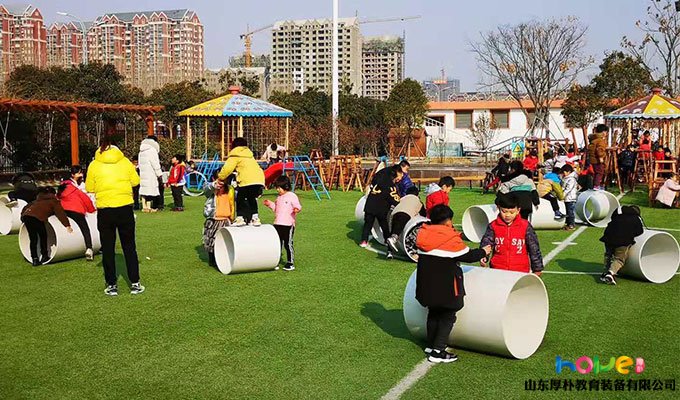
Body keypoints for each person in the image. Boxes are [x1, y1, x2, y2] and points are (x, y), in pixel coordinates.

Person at [415, 204, 491, 363]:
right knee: (447, 317)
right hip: (446, 289)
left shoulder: (423, 234)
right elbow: (468, 256)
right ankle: (438, 351)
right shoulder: (449, 238)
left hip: (426, 288)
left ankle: (431, 344)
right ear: (448, 222)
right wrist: (484, 251)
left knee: (433, 313)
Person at [86, 137, 144, 296]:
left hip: (105, 210)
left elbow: (89, 187)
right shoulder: (125, 162)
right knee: (129, 246)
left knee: (108, 248)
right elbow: (135, 181)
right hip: (124, 207)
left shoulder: (94, 165)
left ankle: (111, 284)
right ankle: (135, 283)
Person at [480, 193, 544, 275]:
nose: (507, 215)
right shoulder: (493, 226)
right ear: (498, 208)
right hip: (497, 269)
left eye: (511, 212)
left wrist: (537, 268)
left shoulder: (525, 226)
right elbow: (487, 243)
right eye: (504, 211)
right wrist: (483, 256)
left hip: (520, 270)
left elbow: (534, 248)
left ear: (518, 210)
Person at [218, 137, 266, 226]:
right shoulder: (249, 155)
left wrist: (220, 177)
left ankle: (240, 218)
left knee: (240, 198)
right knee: (252, 198)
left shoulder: (235, 155)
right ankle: (255, 218)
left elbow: (227, 169)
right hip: (259, 179)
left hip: (246, 180)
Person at [21, 187, 73, 266]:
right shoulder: (53, 201)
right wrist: (67, 225)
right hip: (37, 218)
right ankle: (45, 256)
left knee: (33, 238)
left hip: (27, 216)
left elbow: (25, 208)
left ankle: (35, 259)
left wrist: (22, 217)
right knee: (43, 236)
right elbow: (60, 213)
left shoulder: (37, 200)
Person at [360, 165, 403, 257]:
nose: (401, 178)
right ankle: (387, 241)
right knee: (384, 226)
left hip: (369, 206)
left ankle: (364, 240)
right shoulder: (391, 186)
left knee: (368, 224)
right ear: (396, 174)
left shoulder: (379, 182)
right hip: (381, 209)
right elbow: (395, 199)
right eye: (400, 175)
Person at [263, 175, 302, 271]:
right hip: (277, 224)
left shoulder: (292, 196)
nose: (278, 190)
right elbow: (276, 209)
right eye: (277, 188)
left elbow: (297, 205)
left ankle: (290, 262)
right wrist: (270, 204)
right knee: (277, 243)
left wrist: (297, 209)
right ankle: (276, 260)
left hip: (288, 225)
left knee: (287, 244)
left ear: (286, 187)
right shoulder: (278, 198)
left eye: (279, 187)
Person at [57, 165, 96, 261]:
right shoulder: (74, 188)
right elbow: (85, 199)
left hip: (64, 210)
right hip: (76, 210)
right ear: (72, 175)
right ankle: (89, 248)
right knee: (84, 228)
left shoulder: (62, 188)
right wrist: (92, 211)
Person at [599, 205, 644, 285]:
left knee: (608, 255)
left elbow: (612, 220)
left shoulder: (618, 213)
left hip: (608, 236)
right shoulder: (635, 218)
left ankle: (604, 273)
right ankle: (611, 273)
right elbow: (639, 231)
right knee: (619, 259)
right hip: (623, 240)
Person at [202, 171, 235, 268]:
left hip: (226, 219)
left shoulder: (230, 189)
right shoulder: (211, 188)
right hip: (214, 219)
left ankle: (223, 258)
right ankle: (212, 260)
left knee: (225, 241)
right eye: (220, 179)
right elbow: (206, 191)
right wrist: (214, 185)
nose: (222, 182)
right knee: (211, 240)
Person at [386, 186, 426, 254]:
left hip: (395, 213)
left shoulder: (403, 198)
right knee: (398, 228)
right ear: (417, 194)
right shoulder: (418, 201)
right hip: (406, 213)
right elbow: (423, 214)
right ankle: (394, 238)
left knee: (394, 230)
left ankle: (389, 252)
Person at [138, 136, 162, 213]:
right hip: (150, 173)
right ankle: (148, 207)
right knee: (150, 190)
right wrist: (159, 173)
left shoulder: (141, 151)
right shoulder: (152, 150)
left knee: (144, 190)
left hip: (143, 173)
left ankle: (144, 206)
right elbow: (155, 163)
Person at [588, 124, 608, 190]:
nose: (606, 133)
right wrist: (601, 157)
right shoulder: (600, 140)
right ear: (603, 132)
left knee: (596, 172)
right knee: (600, 172)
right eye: (606, 132)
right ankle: (596, 186)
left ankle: (595, 185)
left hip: (592, 159)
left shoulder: (593, 139)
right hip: (597, 159)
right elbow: (599, 149)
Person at [560, 164, 579, 231]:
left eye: (564, 172)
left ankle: (571, 225)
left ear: (568, 172)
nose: (563, 174)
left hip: (570, 198)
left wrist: (562, 195)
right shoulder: (566, 178)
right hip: (567, 198)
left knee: (570, 212)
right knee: (567, 212)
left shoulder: (571, 179)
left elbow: (568, 189)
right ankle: (568, 224)